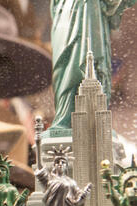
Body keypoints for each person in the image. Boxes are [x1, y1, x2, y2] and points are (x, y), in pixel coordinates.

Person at [49, 0, 136, 131]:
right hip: (70, 12)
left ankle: (75, 121)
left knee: (81, 67)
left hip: (84, 11)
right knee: (66, 70)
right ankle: (66, 119)